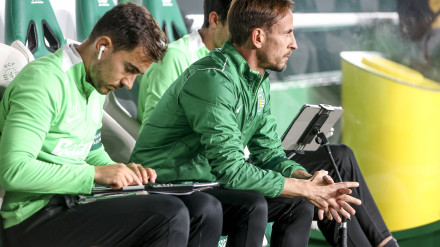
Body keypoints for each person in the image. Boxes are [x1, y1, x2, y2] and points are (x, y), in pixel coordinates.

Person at [130, 0, 369, 246]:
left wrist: (307, 180)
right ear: (257, 37)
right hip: (169, 187)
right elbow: (231, 171)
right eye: (287, 33)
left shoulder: (258, 80)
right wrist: (303, 187)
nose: (294, 44)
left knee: (297, 200)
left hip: (207, 185)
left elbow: (270, 155)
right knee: (252, 205)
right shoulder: (214, 80)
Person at [0, 3, 222, 247]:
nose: (129, 83)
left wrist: (122, 172)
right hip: (33, 218)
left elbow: (91, 151)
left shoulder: (96, 81)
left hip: (76, 203)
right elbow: (14, 171)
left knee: (203, 207)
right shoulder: (42, 82)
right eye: (129, 69)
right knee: (168, 214)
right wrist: (96, 174)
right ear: (103, 47)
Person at [137, 0, 232, 129]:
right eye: (236, 26)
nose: (244, 35)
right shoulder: (175, 58)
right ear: (214, 20)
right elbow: (153, 138)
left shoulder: (237, 60)